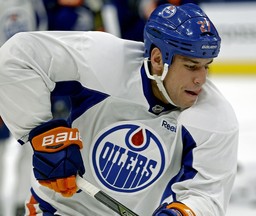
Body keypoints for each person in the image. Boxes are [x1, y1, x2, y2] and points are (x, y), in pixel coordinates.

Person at [0, 3, 238, 216]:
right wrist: (40, 131)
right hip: (58, 209)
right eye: (191, 66)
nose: (201, 79)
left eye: (206, 66)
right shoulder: (105, 61)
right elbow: (19, 56)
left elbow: (208, 195)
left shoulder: (215, 120)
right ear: (158, 59)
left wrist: (183, 213)